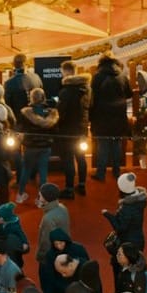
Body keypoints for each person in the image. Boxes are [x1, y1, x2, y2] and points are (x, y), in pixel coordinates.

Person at [88, 57, 133, 185]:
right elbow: (129, 94)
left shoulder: (97, 77)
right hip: (118, 115)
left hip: (101, 115)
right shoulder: (122, 76)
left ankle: (101, 173)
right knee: (116, 143)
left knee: (103, 145)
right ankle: (116, 171)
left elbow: (92, 98)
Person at [13, 89, 58, 205]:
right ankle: (41, 200)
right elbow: (54, 131)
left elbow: (19, 128)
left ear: (31, 98)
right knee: (43, 172)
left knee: (26, 170)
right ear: (43, 97)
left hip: (30, 147)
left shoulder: (25, 112)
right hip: (45, 147)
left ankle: (20, 194)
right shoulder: (50, 112)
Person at [54, 59, 90, 196]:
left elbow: (61, 113)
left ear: (67, 72)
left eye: (63, 72)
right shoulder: (86, 88)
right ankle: (82, 184)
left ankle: (69, 188)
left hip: (68, 131)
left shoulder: (66, 91)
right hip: (82, 128)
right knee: (81, 157)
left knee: (68, 158)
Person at [38, 228, 89, 293]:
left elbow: (86, 268)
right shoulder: (49, 256)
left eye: (61, 243)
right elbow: (48, 278)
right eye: (56, 244)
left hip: (79, 289)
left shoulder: (78, 249)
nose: (59, 246)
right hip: (59, 292)